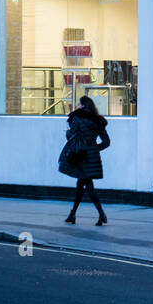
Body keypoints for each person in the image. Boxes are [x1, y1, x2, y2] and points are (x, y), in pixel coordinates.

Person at [58, 95, 111, 225]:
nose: (77, 106)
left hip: (81, 157)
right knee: (81, 185)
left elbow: (71, 136)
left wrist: (67, 131)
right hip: (92, 158)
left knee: (88, 186)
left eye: (78, 104)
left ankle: (101, 214)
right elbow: (106, 142)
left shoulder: (77, 117)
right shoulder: (98, 121)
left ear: (83, 106)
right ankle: (73, 214)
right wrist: (93, 149)